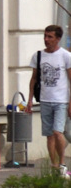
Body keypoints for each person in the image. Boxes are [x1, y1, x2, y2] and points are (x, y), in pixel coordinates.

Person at [28, 24, 71, 177]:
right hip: (45, 100)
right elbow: (33, 79)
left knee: (58, 132)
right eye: (45, 36)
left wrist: (70, 103)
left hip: (61, 101)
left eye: (50, 37)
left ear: (58, 39)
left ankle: (62, 164)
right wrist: (30, 100)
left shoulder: (65, 56)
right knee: (49, 135)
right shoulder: (38, 56)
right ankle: (53, 165)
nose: (46, 40)